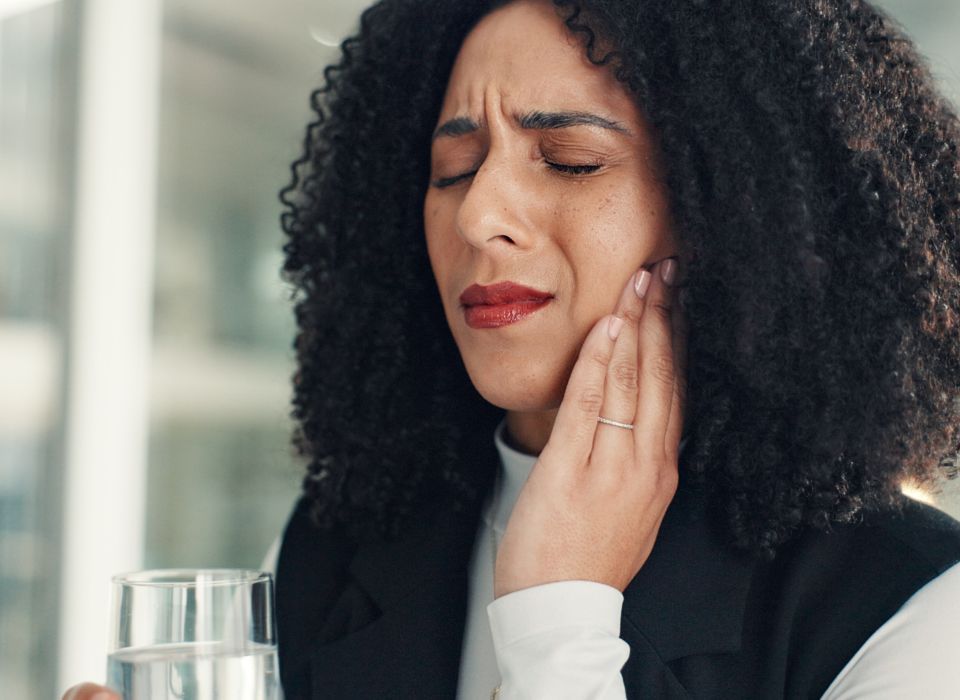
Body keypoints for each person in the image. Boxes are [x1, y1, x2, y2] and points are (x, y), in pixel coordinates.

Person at [64, 0, 960, 698]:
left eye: (570, 159)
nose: (478, 215)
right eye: (452, 171)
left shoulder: (909, 607)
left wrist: (557, 615)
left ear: (742, 214)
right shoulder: (329, 550)